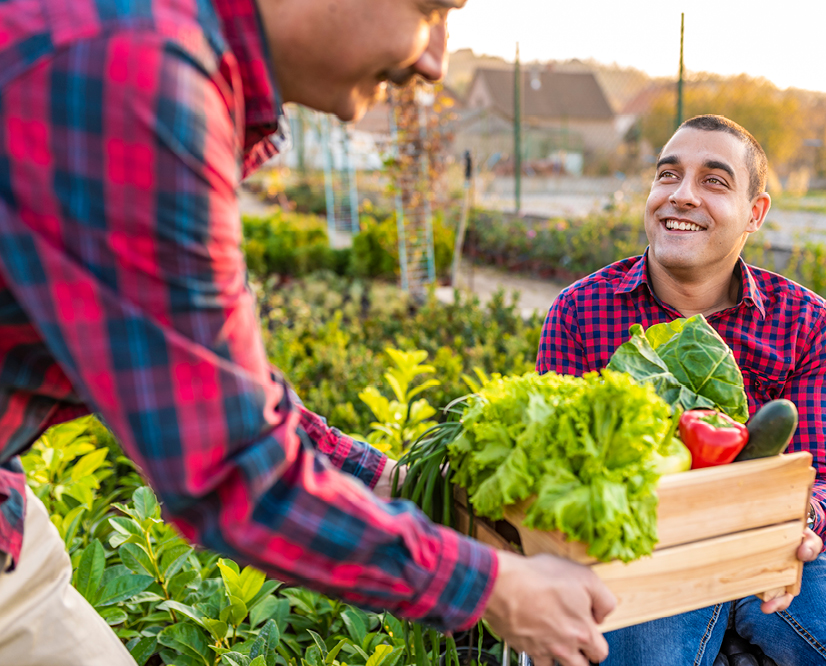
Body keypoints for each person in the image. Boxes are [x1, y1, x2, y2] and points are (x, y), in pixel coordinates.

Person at [0, 1, 615, 665]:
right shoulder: (135, 74)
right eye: (430, 9)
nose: (435, 61)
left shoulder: (164, 54)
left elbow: (214, 389)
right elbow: (233, 474)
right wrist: (493, 588)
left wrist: (397, 483)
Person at [537, 114, 826, 665]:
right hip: (643, 555)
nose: (681, 196)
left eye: (714, 181)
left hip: (775, 548)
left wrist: (804, 522)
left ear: (755, 213)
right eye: (668, 176)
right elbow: (556, 476)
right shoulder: (581, 311)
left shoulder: (805, 321)